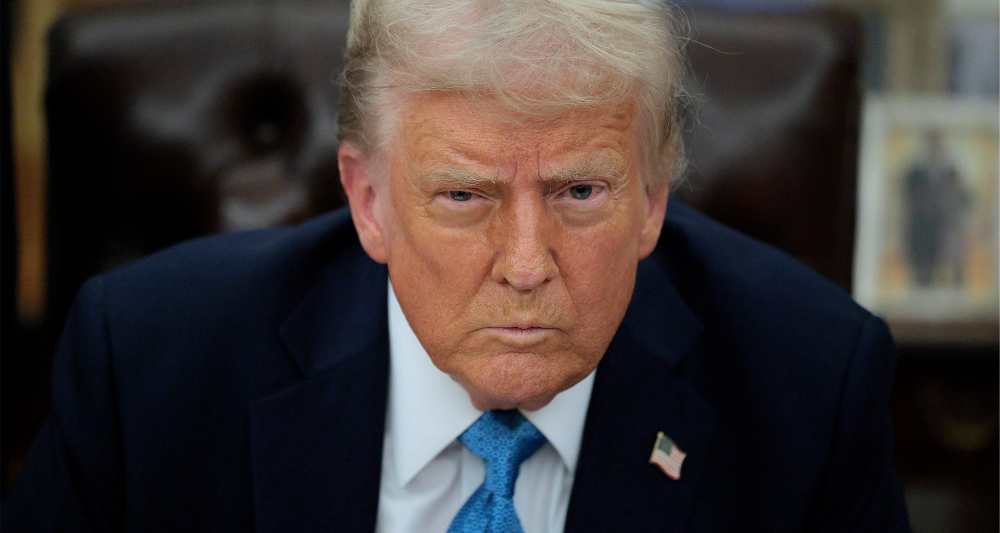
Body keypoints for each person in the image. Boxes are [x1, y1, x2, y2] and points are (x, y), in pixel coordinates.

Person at [2, 0, 911, 531]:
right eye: (464, 197)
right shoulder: (148, 369)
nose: (525, 265)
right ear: (369, 201)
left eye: (580, 193)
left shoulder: (812, 389)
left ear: (653, 195)